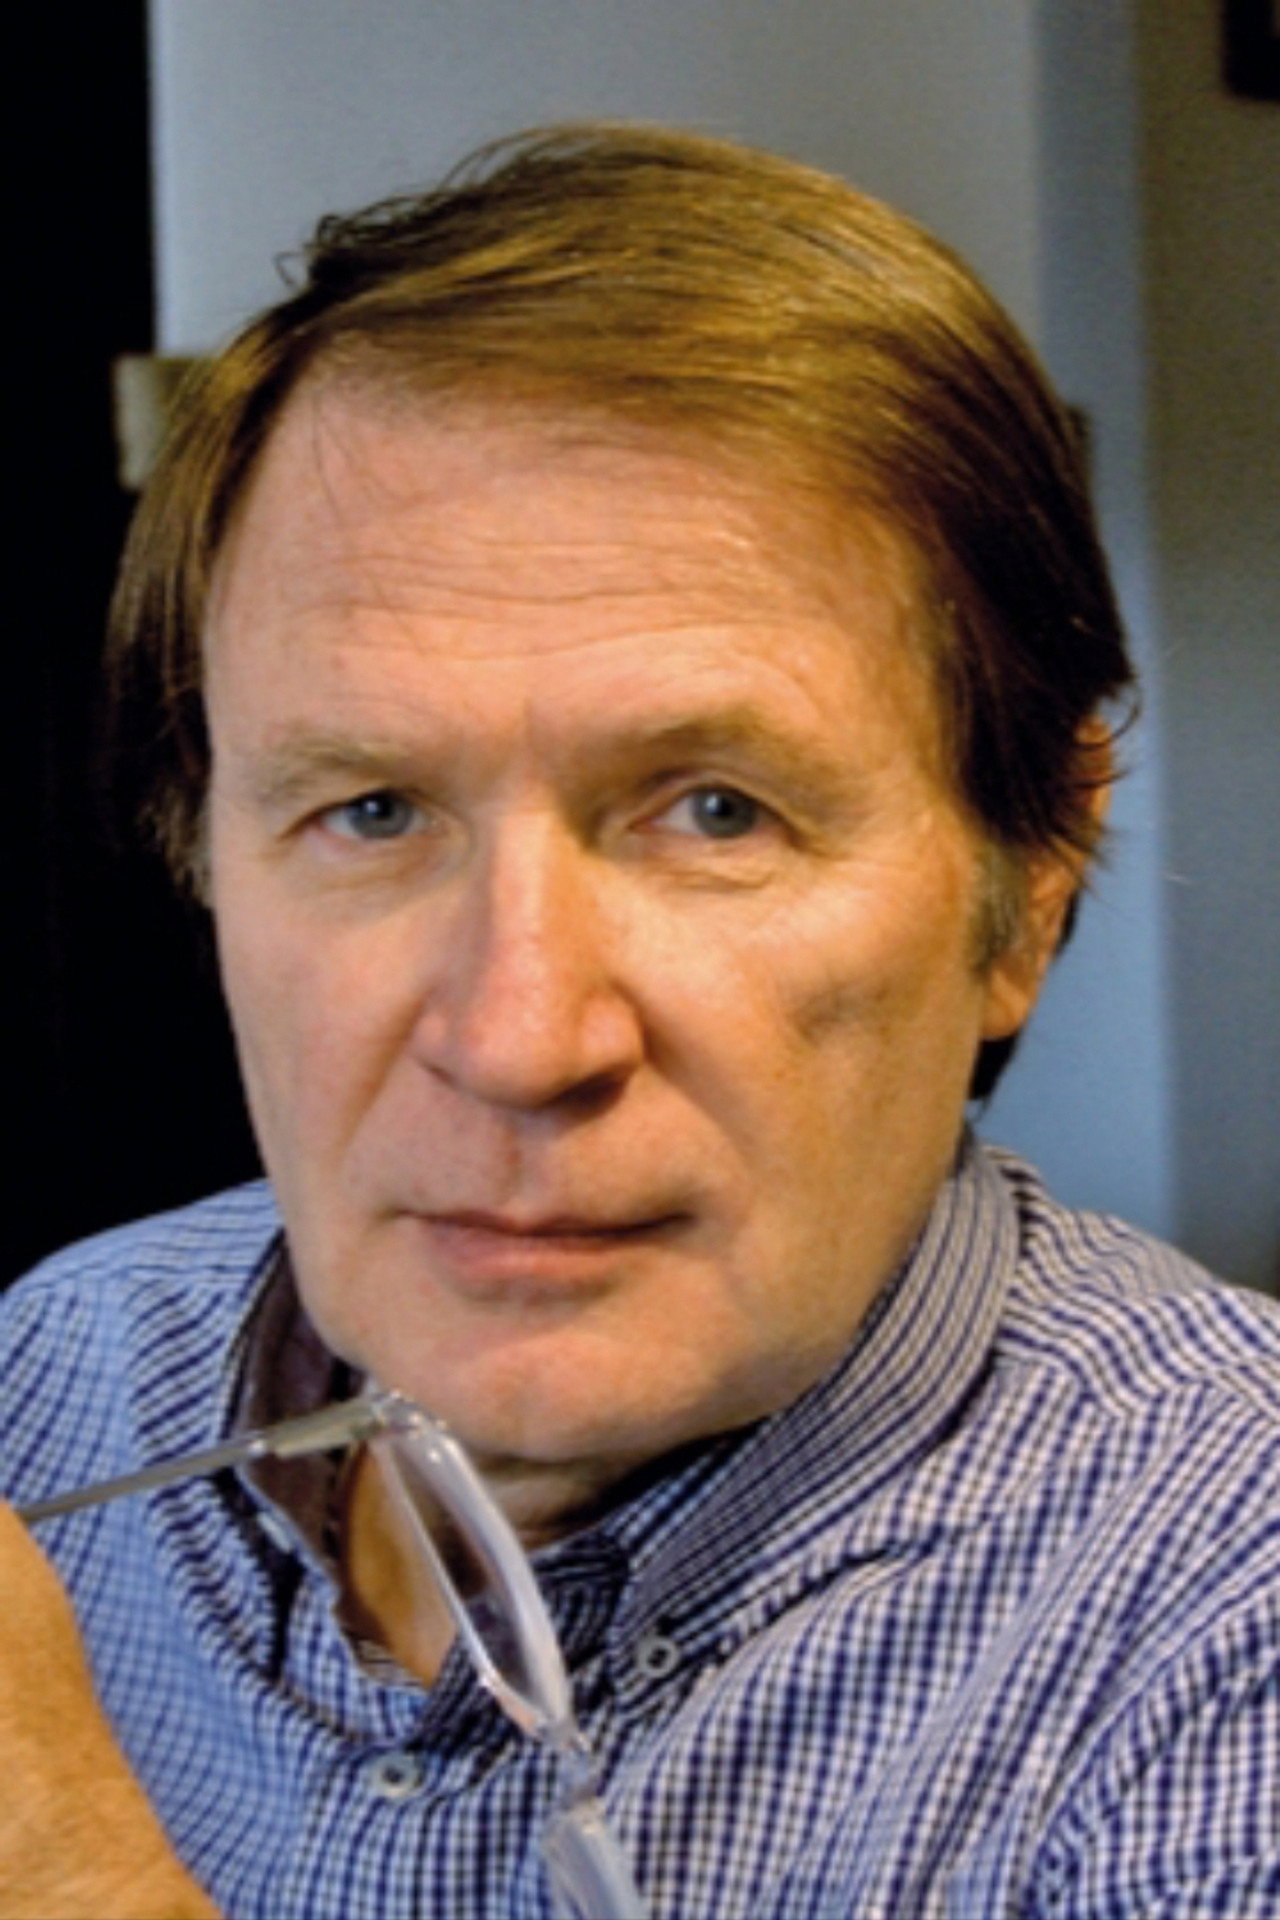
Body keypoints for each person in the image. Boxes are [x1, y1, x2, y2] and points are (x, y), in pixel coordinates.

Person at [2, 124, 1276, 1920]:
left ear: (1034, 878)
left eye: (716, 813)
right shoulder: (56, 1372)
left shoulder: (1229, 1601)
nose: (521, 1039)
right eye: (372, 811)